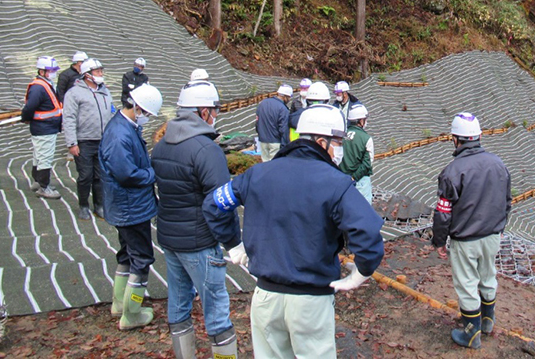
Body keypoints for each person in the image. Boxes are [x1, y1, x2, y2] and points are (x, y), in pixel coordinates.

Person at [204, 104, 384, 359]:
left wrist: (234, 244)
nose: (340, 149)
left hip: (265, 297)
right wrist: (361, 272)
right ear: (322, 142)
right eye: (338, 142)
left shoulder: (257, 173)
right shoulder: (336, 183)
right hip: (311, 300)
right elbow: (367, 232)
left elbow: (214, 204)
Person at [151, 81, 240, 359]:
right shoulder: (206, 150)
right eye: (214, 109)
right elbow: (221, 203)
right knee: (216, 311)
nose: (216, 115)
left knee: (178, 304)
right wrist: (234, 243)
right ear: (203, 112)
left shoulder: (162, 144)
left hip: (169, 238)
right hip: (199, 242)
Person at [432, 112, 512, 350]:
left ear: (455, 139)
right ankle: (487, 321)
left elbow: (443, 212)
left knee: (467, 283)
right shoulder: (499, 164)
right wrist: (499, 228)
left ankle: (471, 333)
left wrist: (439, 241)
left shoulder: (452, 171)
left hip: (465, 238)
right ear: (478, 136)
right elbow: (507, 202)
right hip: (492, 236)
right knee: (488, 276)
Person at [99, 83, 162, 331]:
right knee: (142, 258)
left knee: (126, 254)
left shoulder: (126, 126)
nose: (147, 118)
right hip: (130, 207)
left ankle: (119, 303)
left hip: (126, 206)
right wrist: (153, 173)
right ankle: (132, 312)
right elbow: (128, 174)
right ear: (136, 107)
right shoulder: (119, 135)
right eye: (146, 113)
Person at [62, 58, 114, 220]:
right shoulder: (74, 93)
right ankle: (83, 205)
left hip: (102, 141)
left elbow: (111, 112)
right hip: (83, 141)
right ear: (87, 75)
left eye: (101, 71)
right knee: (85, 176)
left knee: (100, 176)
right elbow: (69, 118)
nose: (101, 74)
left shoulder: (105, 91)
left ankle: (98, 205)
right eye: (98, 71)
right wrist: (72, 143)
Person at [21, 55, 63, 199]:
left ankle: (38, 182)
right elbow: (29, 108)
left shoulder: (45, 84)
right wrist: (26, 119)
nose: (54, 73)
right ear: (42, 71)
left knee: (38, 156)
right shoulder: (39, 87)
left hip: (45, 127)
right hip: (44, 128)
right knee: (45, 157)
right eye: (51, 70)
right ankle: (44, 187)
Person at [341, 103, 374, 203]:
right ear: (360, 121)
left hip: (341, 179)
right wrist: (354, 177)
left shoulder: (341, 135)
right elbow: (367, 164)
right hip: (360, 182)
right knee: (364, 210)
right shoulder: (366, 138)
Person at [255, 84, 292, 161]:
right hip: (275, 142)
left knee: (264, 163)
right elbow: (283, 129)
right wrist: (285, 145)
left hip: (262, 140)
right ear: (285, 97)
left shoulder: (263, 103)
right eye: (289, 97)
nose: (289, 100)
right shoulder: (283, 109)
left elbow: (257, 123)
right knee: (273, 165)